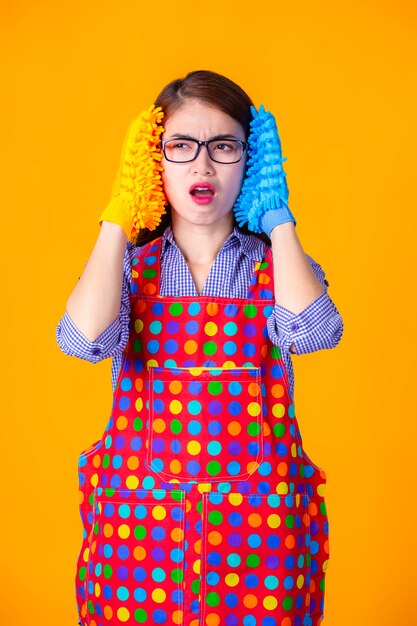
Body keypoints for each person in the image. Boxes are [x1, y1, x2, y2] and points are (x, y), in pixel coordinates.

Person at [56, 69, 343, 626]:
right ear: (154, 161)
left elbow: (315, 332)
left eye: (225, 147)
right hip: (138, 551)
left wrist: (277, 215)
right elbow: (83, 340)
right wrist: (119, 214)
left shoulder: (277, 270)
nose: (203, 165)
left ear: (252, 161)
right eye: (181, 146)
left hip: (261, 555)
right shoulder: (126, 270)